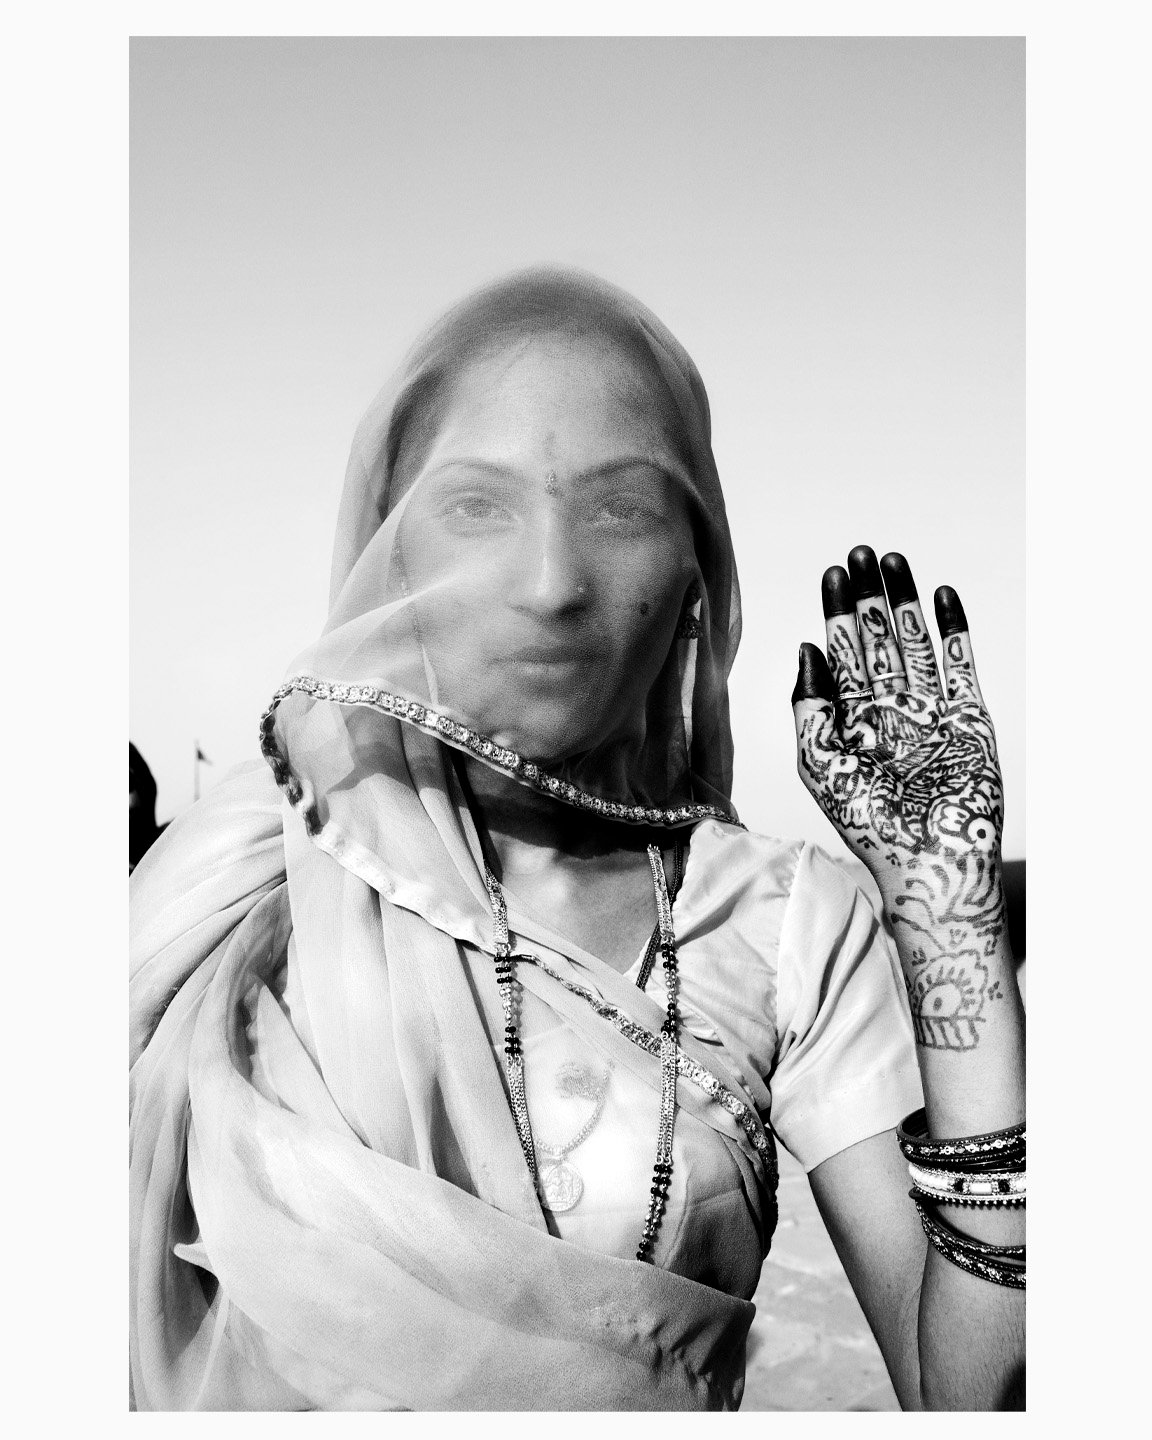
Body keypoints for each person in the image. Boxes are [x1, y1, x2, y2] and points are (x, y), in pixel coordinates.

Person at [129, 268, 1024, 1411]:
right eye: (478, 507)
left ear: (697, 566)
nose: (551, 584)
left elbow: (974, 1398)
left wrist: (950, 921)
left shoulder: (786, 924)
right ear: (393, 553)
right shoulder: (243, 884)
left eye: (619, 509)